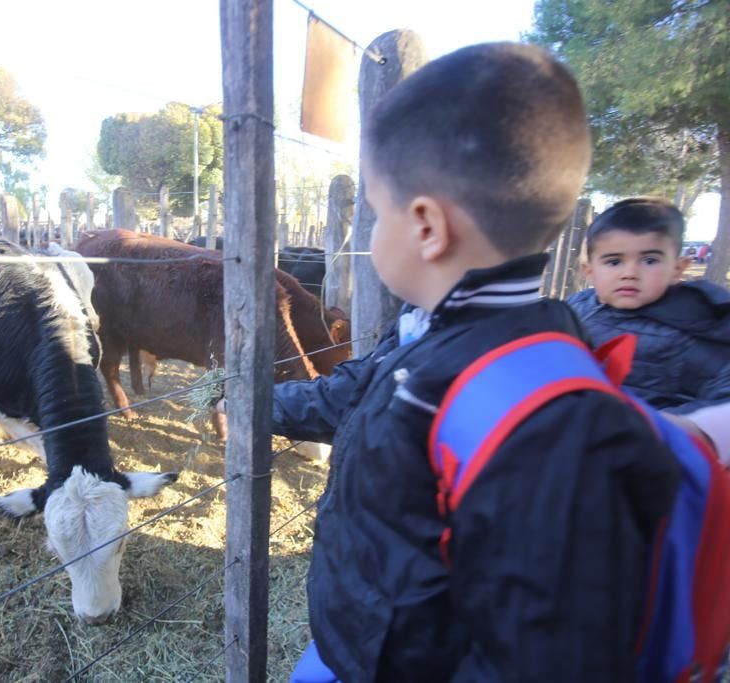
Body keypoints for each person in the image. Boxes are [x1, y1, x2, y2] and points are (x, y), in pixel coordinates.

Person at [228, 43, 680, 682]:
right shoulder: (432, 337)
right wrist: (254, 405)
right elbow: (354, 395)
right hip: (358, 645)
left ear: (426, 227)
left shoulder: (542, 415)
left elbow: (550, 654)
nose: (373, 232)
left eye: (377, 213)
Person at [568, 198, 730, 413]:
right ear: (589, 272)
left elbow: (722, 401)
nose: (630, 273)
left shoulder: (692, 329)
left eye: (649, 260)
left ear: (677, 268)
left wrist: (666, 426)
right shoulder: (576, 307)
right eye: (614, 262)